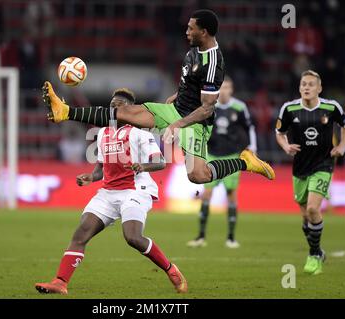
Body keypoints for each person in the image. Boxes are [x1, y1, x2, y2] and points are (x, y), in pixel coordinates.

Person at [42, 9, 275, 186]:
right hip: (175, 110)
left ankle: (245, 162)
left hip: (195, 122)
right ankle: (66, 111)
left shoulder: (213, 63)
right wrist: (178, 95)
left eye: (191, 28)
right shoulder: (194, 49)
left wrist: (177, 124)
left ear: (204, 32)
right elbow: (191, 82)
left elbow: (206, 109)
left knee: (198, 176)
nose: (186, 31)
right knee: (125, 113)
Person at [35, 88, 187, 295]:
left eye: (118, 105)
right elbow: (100, 169)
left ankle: (171, 269)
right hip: (109, 192)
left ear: (130, 109)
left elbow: (159, 162)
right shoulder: (104, 133)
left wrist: (143, 166)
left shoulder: (140, 132)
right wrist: (91, 177)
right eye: (111, 105)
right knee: (81, 233)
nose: (113, 108)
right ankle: (60, 282)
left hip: (136, 190)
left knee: (133, 237)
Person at [276, 70, 345, 275]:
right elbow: (279, 133)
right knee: (305, 218)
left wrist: (342, 146)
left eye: (311, 84)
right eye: (303, 84)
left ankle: (314, 254)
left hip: (323, 164)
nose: (306, 87)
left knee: (312, 210)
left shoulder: (331, 107)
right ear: (299, 87)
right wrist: (285, 147)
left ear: (319, 88)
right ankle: (318, 252)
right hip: (300, 167)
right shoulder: (289, 109)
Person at [187, 76, 257, 248]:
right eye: (222, 87)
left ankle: (231, 238)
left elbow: (249, 128)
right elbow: (200, 128)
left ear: (231, 90)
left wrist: (252, 147)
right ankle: (201, 236)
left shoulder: (239, 107)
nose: (224, 90)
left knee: (231, 196)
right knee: (207, 195)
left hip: (232, 157)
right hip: (212, 155)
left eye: (227, 87)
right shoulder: (210, 107)